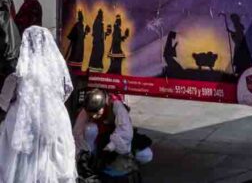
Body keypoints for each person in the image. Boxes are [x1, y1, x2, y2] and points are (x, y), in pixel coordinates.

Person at [0, 26, 77, 183]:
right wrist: (49, 104)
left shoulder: (17, 74)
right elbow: (66, 91)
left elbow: (3, 102)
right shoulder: (57, 73)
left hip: (23, 121)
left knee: (21, 165)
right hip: (55, 119)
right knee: (52, 159)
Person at [73, 89, 152, 176]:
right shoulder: (87, 109)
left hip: (118, 141)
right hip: (99, 142)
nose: (94, 116)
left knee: (146, 155)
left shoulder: (116, 106)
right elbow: (77, 132)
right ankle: (92, 158)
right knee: (90, 129)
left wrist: (112, 145)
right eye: (91, 114)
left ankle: (126, 166)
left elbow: (126, 132)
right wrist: (81, 156)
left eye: (97, 113)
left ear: (103, 105)